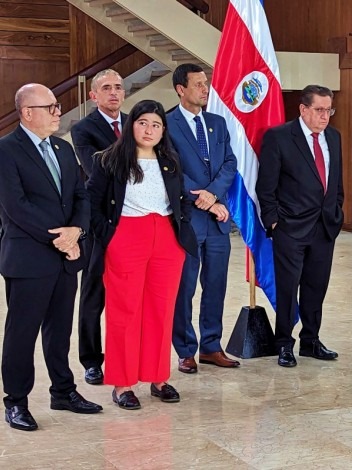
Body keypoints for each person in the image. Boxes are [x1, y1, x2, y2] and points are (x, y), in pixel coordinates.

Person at [0, 84, 102, 431]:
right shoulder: (6, 151)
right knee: (21, 334)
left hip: (65, 256)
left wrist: (77, 231)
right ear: (27, 112)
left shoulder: (62, 147)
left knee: (59, 331)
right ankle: (15, 402)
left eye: (58, 107)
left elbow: (80, 195)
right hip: (28, 258)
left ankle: (63, 391)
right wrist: (61, 238)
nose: (59, 112)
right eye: (51, 107)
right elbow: (16, 208)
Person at [87, 100, 198, 409]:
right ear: (131, 124)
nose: (149, 130)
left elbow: (183, 199)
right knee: (126, 311)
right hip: (126, 237)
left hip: (166, 239)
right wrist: (109, 237)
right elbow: (92, 201)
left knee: (160, 311)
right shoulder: (108, 160)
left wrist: (182, 227)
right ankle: (122, 383)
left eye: (156, 125)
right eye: (143, 123)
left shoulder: (171, 160)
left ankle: (158, 377)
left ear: (164, 131)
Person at [257, 84, 344, 368]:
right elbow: (266, 186)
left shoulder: (333, 137)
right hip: (290, 228)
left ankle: (311, 340)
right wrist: (273, 221)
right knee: (287, 288)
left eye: (329, 109)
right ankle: (284, 343)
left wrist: (337, 211)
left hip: (324, 227)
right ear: (303, 109)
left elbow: (335, 182)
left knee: (316, 287)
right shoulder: (280, 137)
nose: (325, 116)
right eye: (319, 110)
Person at [168, 63, 239, 374]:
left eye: (205, 83)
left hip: (217, 222)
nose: (205, 89)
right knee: (184, 287)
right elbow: (170, 171)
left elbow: (229, 163)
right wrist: (204, 200)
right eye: (198, 84)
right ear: (181, 89)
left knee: (216, 285)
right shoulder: (167, 124)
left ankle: (211, 346)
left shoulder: (217, 122)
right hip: (188, 220)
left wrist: (213, 194)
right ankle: (185, 349)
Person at [71, 68, 127, 385]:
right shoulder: (83, 129)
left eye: (118, 87)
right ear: (94, 95)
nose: (114, 93)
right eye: (107, 88)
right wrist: (136, 155)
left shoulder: (135, 122)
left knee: (129, 297)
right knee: (94, 297)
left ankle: (125, 355)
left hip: (134, 222)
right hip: (100, 223)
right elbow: (97, 169)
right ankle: (92, 360)